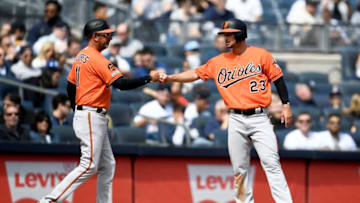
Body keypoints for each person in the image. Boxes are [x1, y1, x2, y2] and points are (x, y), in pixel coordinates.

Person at [160, 19, 293, 203]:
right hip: (236, 119)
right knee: (239, 170)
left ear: (241, 34)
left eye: (229, 34)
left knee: (271, 163)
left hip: (260, 117)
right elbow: (195, 74)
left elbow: (278, 79)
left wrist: (286, 104)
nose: (225, 37)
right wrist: (171, 78)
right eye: (224, 34)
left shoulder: (261, 55)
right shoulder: (219, 61)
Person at [38, 19, 160, 203]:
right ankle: (49, 200)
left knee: (108, 164)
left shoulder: (81, 55)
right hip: (90, 114)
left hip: (88, 113)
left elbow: (71, 85)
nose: (110, 38)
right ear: (94, 36)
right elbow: (122, 84)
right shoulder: (97, 59)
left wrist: (76, 108)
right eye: (106, 35)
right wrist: (149, 77)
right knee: (89, 165)